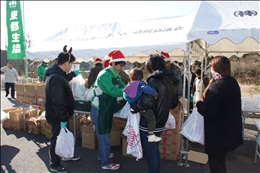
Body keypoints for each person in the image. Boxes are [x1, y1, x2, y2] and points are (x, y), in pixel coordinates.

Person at [131, 54, 180, 173]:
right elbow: (174, 103)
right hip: (161, 120)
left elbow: (147, 101)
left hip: (149, 123)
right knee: (155, 150)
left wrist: (134, 106)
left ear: (150, 66)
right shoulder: (170, 80)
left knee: (151, 153)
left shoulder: (153, 81)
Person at [196, 56, 243, 173]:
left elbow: (209, 112)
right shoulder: (232, 82)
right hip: (229, 131)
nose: (211, 70)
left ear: (216, 68)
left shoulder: (218, 86)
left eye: (212, 67)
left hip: (218, 134)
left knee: (216, 163)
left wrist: (199, 104)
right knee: (220, 161)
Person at [45, 45, 81, 173]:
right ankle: (54, 164)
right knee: (56, 139)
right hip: (57, 115)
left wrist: (72, 74)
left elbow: (64, 79)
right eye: (71, 64)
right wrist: (62, 118)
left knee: (64, 137)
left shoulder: (58, 75)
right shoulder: (56, 78)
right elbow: (58, 101)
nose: (71, 66)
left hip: (61, 114)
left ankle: (66, 154)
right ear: (66, 63)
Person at [90, 50, 126, 170]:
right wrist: (127, 92)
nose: (121, 68)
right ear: (114, 64)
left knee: (104, 133)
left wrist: (128, 87)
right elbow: (112, 91)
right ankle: (106, 163)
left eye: (122, 66)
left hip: (106, 109)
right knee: (104, 136)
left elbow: (121, 85)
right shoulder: (104, 75)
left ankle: (102, 155)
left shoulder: (115, 74)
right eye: (120, 65)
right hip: (99, 110)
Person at [123, 68, 160, 142]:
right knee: (151, 118)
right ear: (142, 77)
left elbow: (124, 95)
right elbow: (146, 89)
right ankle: (151, 135)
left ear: (130, 78)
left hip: (134, 107)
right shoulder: (140, 84)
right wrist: (155, 94)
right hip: (142, 107)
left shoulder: (127, 86)